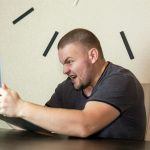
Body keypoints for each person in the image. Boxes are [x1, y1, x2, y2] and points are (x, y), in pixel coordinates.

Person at [0, 28, 146, 140]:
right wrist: (7, 109)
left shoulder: (121, 80)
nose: (65, 70)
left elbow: (86, 124)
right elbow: (42, 124)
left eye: (70, 61)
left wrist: (20, 107)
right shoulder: (67, 87)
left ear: (93, 55)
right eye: (63, 64)